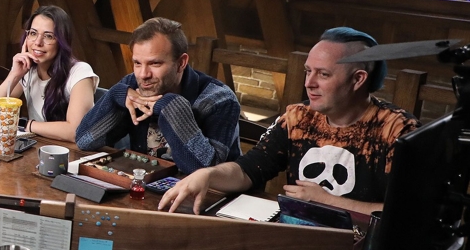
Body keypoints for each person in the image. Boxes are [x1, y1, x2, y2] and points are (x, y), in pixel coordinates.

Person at [159, 27, 417, 215]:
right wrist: (208, 174)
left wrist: (328, 201)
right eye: (308, 71)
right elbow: (249, 170)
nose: (309, 83)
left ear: (358, 79)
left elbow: (408, 215)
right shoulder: (298, 118)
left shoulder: (397, 131)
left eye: (323, 74)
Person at [75, 17, 241, 174]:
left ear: (181, 62)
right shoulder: (134, 84)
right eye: (137, 63)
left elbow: (209, 172)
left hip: (206, 199)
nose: (143, 74)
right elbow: (84, 140)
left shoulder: (220, 99)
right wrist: (115, 96)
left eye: (155, 63)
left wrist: (171, 106)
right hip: (144, 188)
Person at [0, 6, 98, 142]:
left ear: (61, 41)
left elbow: (75, 131)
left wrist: (27, 124)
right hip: (39, 148)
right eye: (33, 33)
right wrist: (14, 74)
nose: (37, 42)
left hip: (71, 155)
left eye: (48, 36)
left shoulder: (80, 72)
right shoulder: (28, 70)